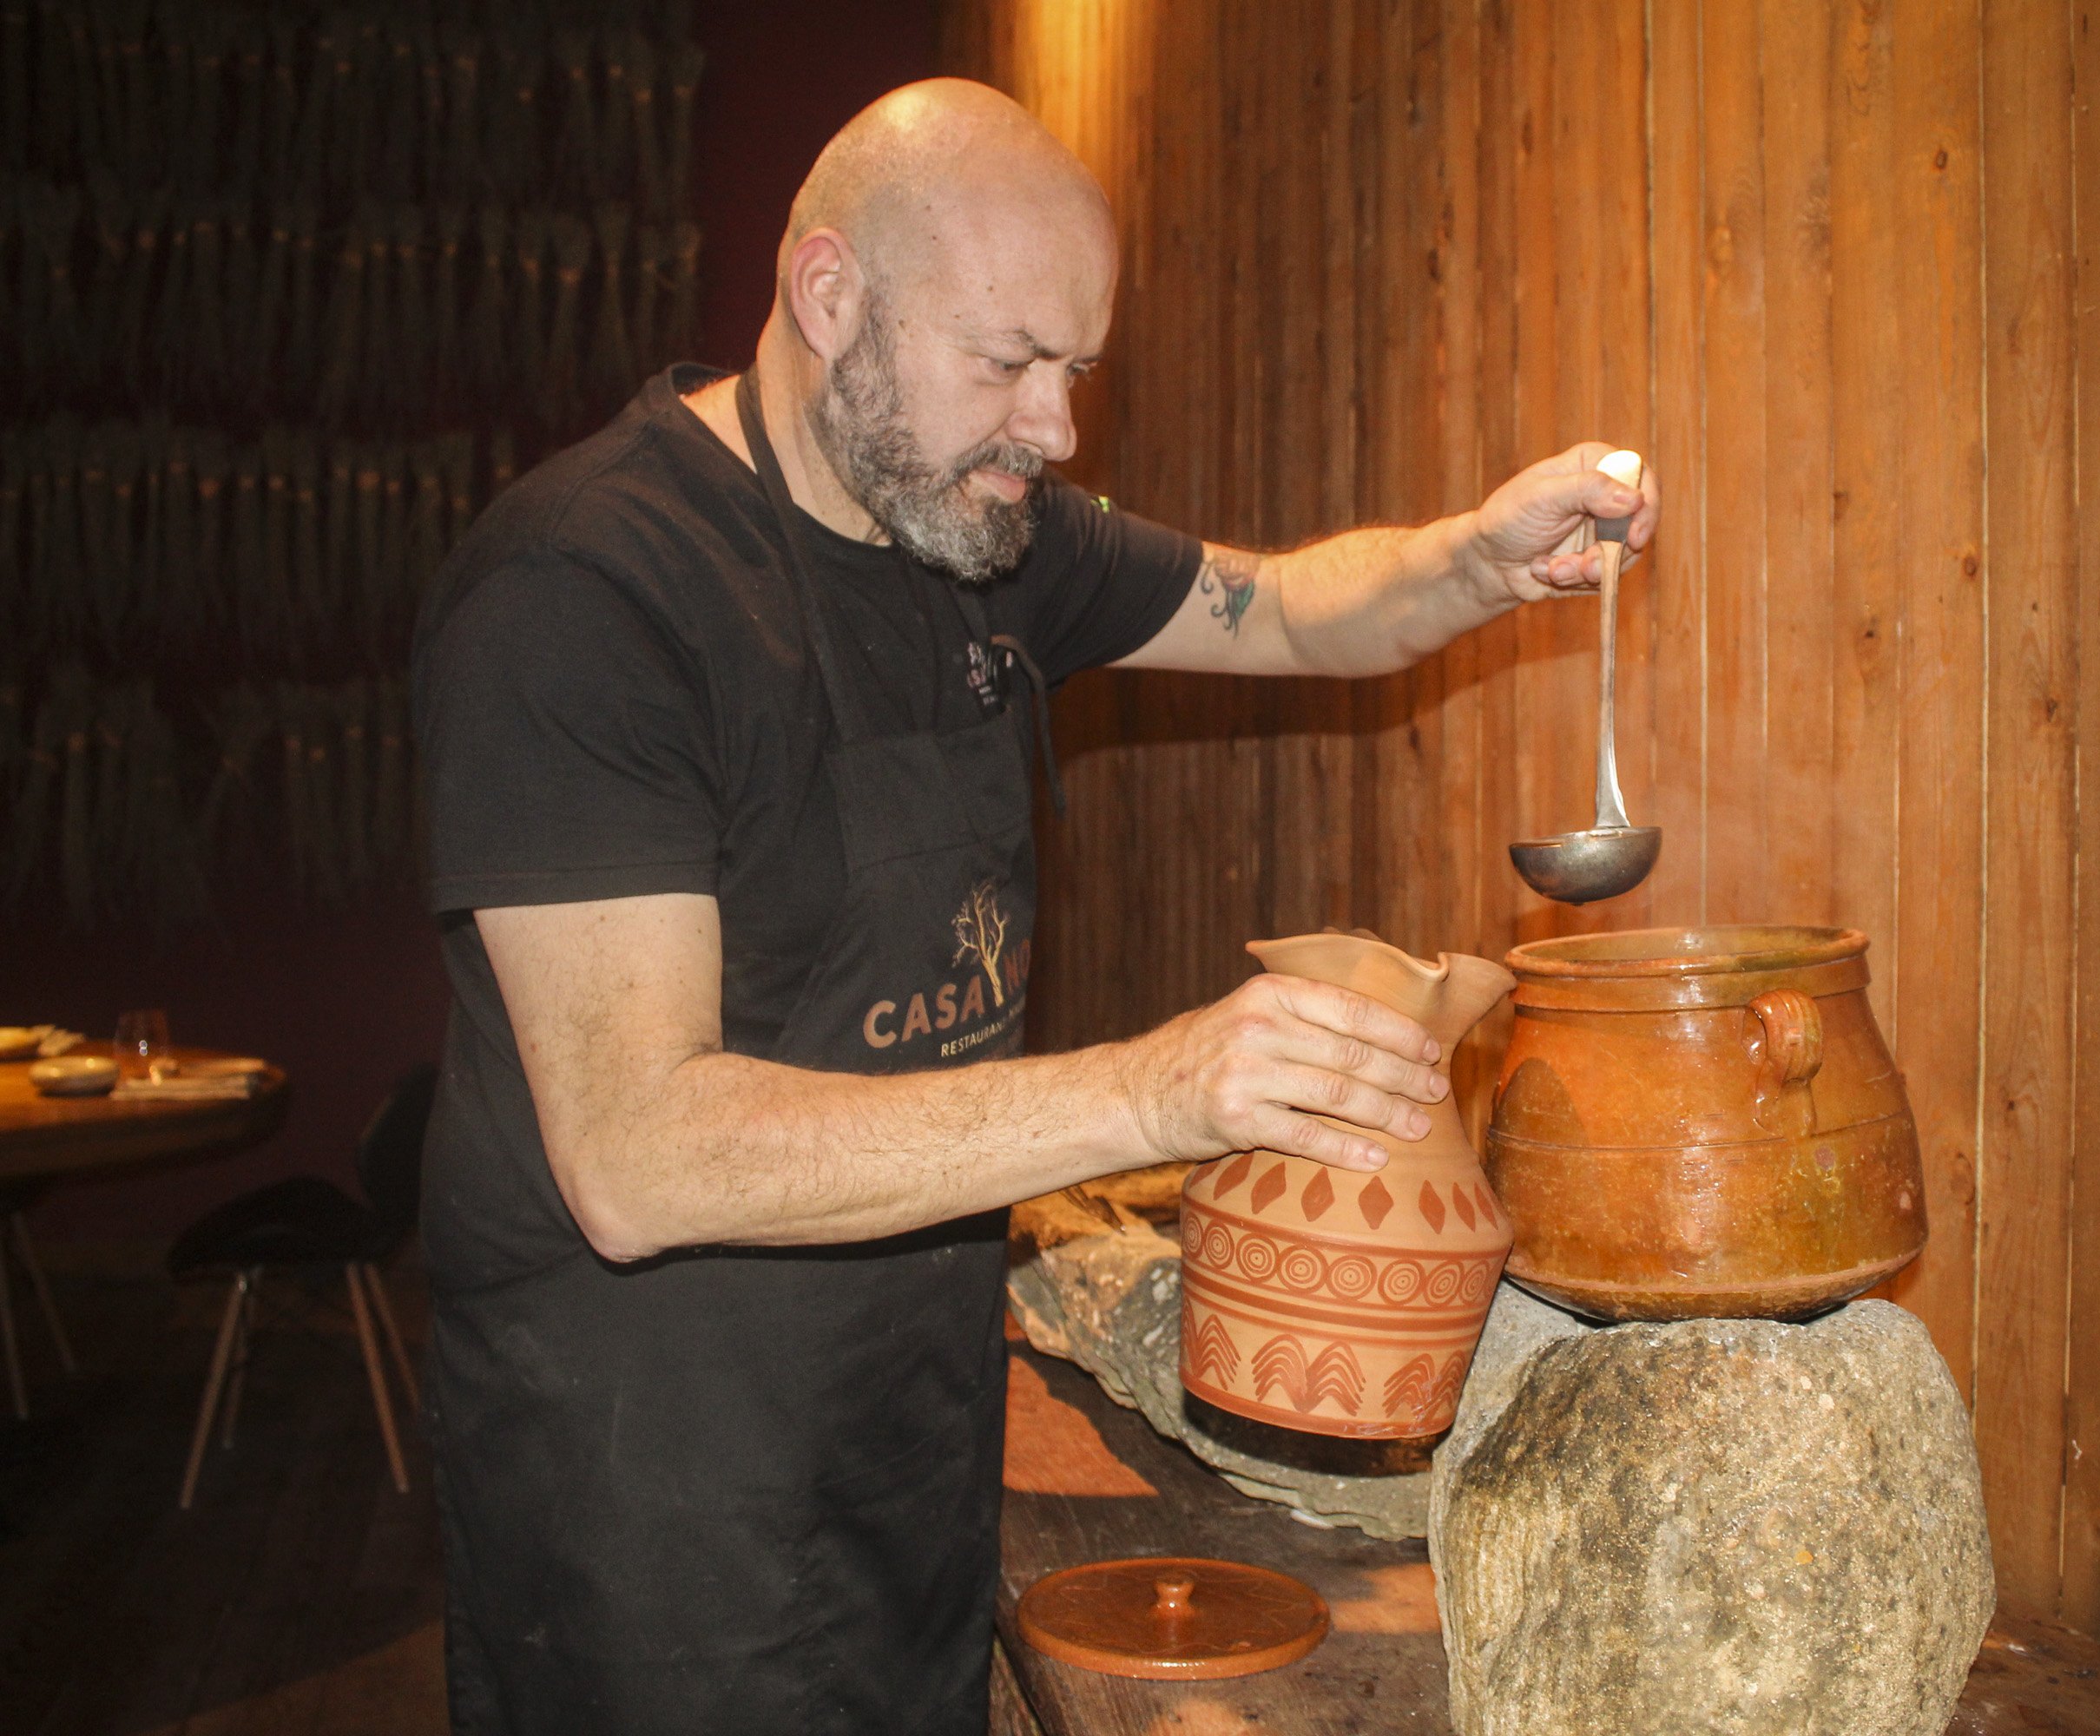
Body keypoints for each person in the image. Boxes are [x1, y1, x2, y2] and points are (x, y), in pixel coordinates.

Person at [411, 77, 1658, 1736]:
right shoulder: (587, 594)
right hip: (652, 1508)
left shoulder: (972, 523)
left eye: (1077, 371)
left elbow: (1283, 613)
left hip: (913, 1440)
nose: (1055, 432)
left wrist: (1476, 558)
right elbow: (636, 1157)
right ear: (828, 296)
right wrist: (1155, 1089)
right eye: (1005, 363)